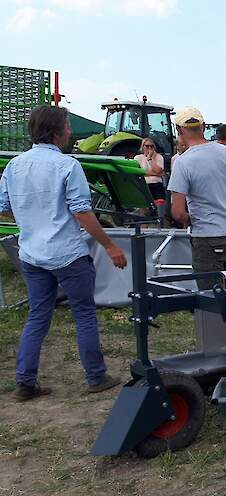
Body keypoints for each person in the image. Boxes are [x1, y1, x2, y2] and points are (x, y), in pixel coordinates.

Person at [0, 106, 126, 401]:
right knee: (84, 315)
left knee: (37, 317)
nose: (70, 131)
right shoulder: (68, 166)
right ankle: (96, 376)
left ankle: (25, 383)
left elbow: (4, 207)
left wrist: (31, 215)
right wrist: (109, 245)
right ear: (56, 132)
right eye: (68, 126)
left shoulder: (14, 166)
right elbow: (82, 212)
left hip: (31, 254)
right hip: (68, 255)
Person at [167, 106, 226, 289]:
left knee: (210, 299)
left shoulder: (182, 162)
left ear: (179, 130)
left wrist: (191, 219)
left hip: (207, 237)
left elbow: (178, 212)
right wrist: (225, 201)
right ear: (203, 126)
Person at [134, 137, 165, 219]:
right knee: (144, 212)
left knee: (161, 212)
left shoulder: (159, 157)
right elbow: (138, 173)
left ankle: (162, 225)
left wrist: (150, 159)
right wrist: (155, 174)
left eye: (151, 146)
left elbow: (158, 171)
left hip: (157, 184)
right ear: (143, 147)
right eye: (147, 146)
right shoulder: (138, 158)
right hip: (144, 184)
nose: (149, 148)